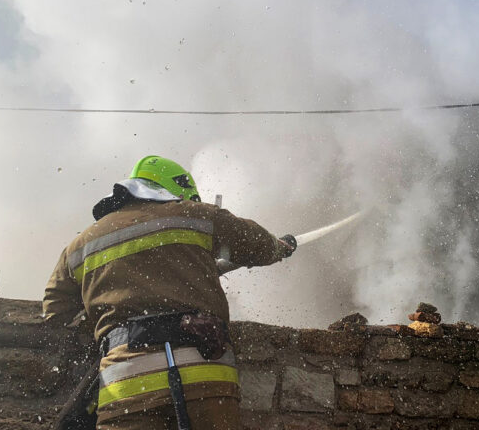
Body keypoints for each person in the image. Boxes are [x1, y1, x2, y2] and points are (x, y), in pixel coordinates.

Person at [43, 155, 295, 429]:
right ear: (176, 191)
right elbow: (257, 243)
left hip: (125, 383)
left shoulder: (79, 246)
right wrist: (282, 247)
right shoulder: (196, 214)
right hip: (203, 372)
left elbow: (56, 312)